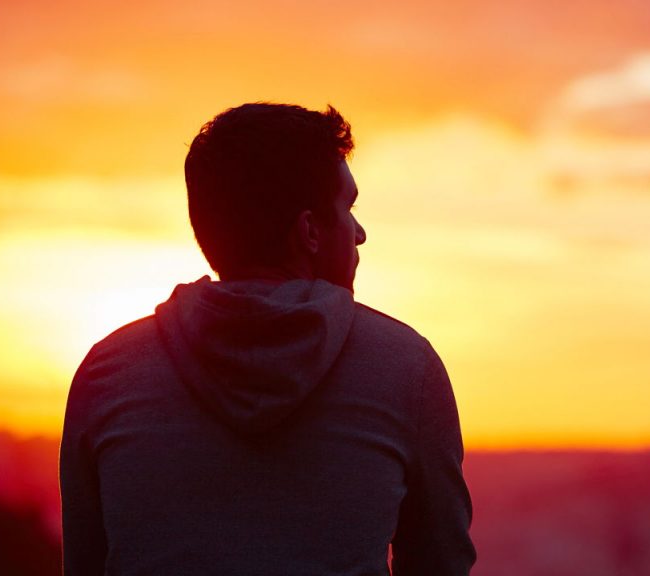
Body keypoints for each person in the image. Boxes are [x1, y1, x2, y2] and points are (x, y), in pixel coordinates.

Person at [60, 103, 476, 575]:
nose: (359, 233)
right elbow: (441, 564)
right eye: (349, 208)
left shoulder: (107, 374)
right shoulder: (406, 368)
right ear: (309, 231)